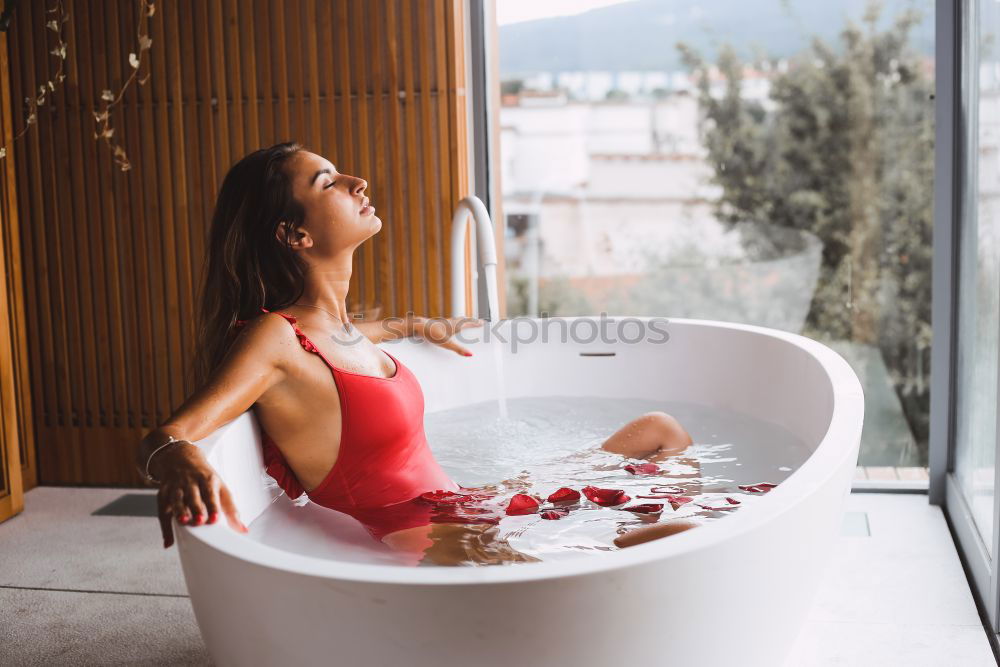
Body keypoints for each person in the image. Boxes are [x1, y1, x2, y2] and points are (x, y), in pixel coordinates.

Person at [136, 141, 697, 566]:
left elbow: (353, 343)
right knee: (687, 542)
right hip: (438, 539)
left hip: (466, 504)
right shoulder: (274, 339)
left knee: (661, 429)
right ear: (294, 234)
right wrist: (181, 460)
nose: (356, 182)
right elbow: (165, 435)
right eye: (328, 182)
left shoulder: (337, 329)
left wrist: (415, 325)